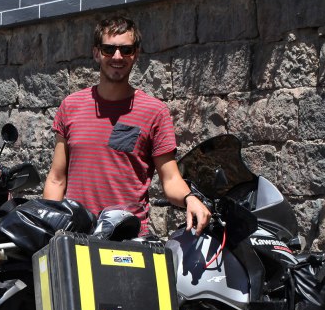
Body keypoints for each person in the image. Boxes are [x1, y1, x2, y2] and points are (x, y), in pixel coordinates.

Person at [44, 15, 211, 236]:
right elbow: (57, 178)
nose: (117, 56)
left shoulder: (154, 112)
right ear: (96, 53)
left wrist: (191, 199)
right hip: (77, 235)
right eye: (108, 49)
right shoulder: (70, 106)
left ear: (136, 54)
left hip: (127, 239)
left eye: (126, 50)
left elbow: (170, 179)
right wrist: (47, 227)